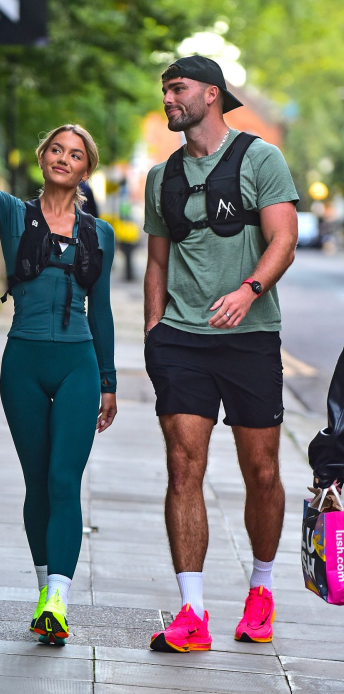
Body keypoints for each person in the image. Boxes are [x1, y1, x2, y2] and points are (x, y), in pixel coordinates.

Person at [0, 101, 117, 645]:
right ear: (43, 158)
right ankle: (46, 592)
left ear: (86, 170)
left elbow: (104, 310)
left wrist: (109, 381)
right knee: (36, 482)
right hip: (22, 363)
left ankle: (58, 600)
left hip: (77, 364)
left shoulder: (101, 234)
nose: (63, 158)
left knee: (65, 478)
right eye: (56, 150)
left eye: (75, 154)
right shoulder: (14, 214)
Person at [143, 56, 298, 653]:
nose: (169, 99)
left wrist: (249, 290)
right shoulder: (163, 177)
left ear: (212, 94)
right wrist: (154, 332)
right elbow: (157, 262)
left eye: (178, 88)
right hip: (181, 340)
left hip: (250, 338)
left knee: (261, 473)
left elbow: (283, 238)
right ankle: (192, 610)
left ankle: (260, 590)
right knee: (184, 468)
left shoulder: (261, 158)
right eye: (166, 90)